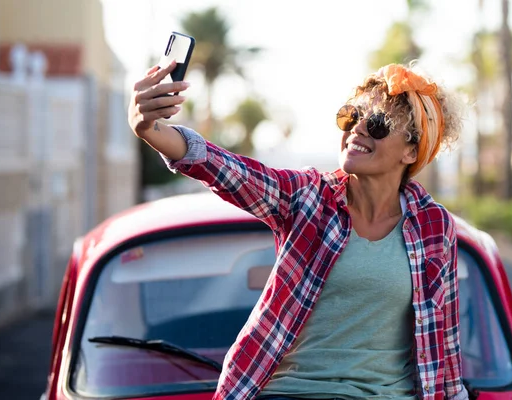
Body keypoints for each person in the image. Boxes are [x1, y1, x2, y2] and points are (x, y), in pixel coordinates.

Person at [128, 61, 467, 400]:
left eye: (377, 124)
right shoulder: (307, 198)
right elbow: (225, 169)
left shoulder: (433, 227)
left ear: (411, 150)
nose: (357, 129)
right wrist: (149, 128)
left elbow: (444, 343)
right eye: (351, 116)